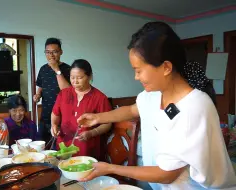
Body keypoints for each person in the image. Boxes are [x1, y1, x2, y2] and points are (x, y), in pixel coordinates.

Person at [77, 22, 236, 189]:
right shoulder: (153, 95)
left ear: (166, 67)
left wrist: (109, 168)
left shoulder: (194, 107)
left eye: (138, 70)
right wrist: (97, 118)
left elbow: (166, 175)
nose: (135, 77)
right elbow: (132, 110)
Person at [51, 59, 112, 160]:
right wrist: (54, 125)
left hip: (87, 149)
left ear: (89, 76)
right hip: (64, 148)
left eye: (79, 78)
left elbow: (107, 123)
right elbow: (55, 114)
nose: (75, 81)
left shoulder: (100, 98)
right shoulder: (64, 94)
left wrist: (92, 133)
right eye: (72, 77)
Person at [34, 38, 71, 143]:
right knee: (41, 146)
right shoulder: (43, 69)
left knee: (58, 150)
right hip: (45, 116)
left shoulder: (68, 69)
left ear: (61, 52)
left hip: (62, 117)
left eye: (54, 51)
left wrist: (56, 69)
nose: (51, 55)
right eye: (48, 52)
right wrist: (38, 94)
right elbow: (40, 85)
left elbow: (68, 91)